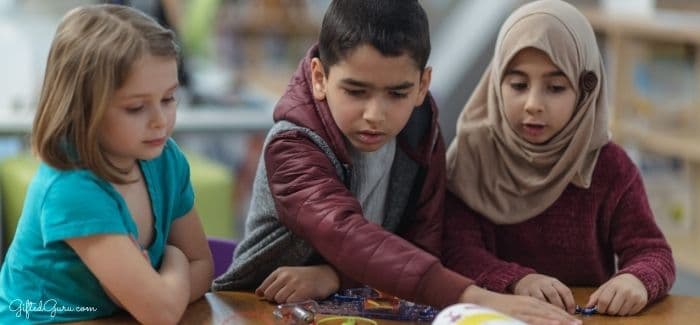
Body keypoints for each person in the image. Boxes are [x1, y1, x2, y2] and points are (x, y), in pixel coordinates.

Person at [213, 1, 579, 324]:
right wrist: (480, 298)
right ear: (319, 78)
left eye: (397, 93)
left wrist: (335, 276)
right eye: (356, 91)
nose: (376, 114)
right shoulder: (292, 146)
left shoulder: (421, 131)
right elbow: (348, 236)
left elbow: (421, 244)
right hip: (259, 309)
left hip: (367, 305)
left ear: (422, 85)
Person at [443, 0, 675, 317]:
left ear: (584, 90)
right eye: (518, 85)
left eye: (555, 87)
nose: (533, 104)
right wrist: (518, 279)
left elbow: (652, 251)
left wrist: (637, 279)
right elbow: (456, 251)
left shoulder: (609, 167)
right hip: (497, 315)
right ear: (495, 82)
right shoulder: (472, 156)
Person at [0, 4, 213, 324]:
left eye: (168, 98)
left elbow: (204, 267)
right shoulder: (71, 188)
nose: (160, 121)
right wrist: (175, 258)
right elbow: (160, 312)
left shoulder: (166, 160)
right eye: (136, 107)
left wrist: (162, 285)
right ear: (82, 109)